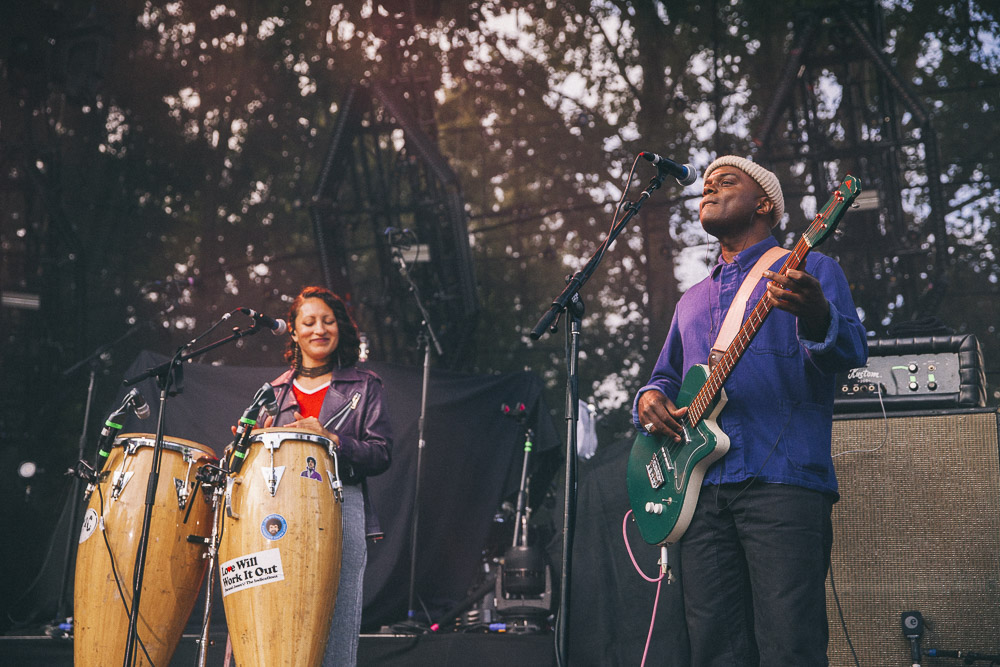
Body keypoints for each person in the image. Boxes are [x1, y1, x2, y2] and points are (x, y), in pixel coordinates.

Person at [633, 156, 867, 665]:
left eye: (726, 181)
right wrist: (647, 399)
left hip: (783, 481)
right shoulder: (690, 302)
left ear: (765, 204)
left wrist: (818, 314)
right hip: (700, 493)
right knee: (716, 648)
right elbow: (665, 379)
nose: (709, 188)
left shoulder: (812, 267)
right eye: (706, 185)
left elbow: (850, 352)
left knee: (790, 644)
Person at [266, 285, 392, 666]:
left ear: (340, 329)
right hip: (279, 512)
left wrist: (334, 440)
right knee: (278, 612)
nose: (319, 329)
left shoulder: (365, 385)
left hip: (341, 502)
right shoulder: (273, 392)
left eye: (328, 321)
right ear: (293, 331)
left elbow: (381, 452)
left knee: (336, 613)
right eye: (308, 321)